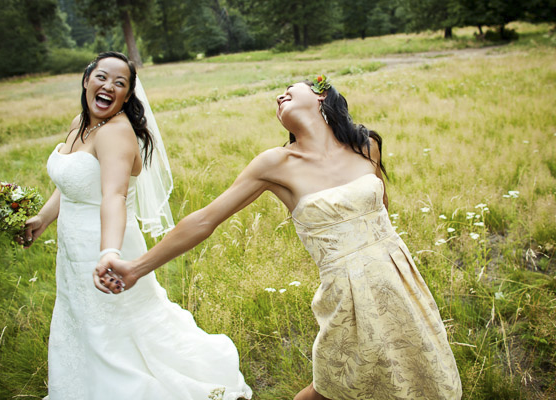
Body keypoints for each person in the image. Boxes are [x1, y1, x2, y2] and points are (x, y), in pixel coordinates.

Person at [96, 75, 462, 399]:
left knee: (419, 367)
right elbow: (205, 220)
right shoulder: (276, 164)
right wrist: (137, 267)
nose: (279, 98)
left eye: (288, 91)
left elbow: (380, 210)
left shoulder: (365, 146)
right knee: (336, 384)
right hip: (344, 291)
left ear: (321, 97)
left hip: (398, 278)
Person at [23, 51, 252, 400]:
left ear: (128, 95)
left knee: (113, 328)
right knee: (84, 320)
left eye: (120, 83)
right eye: (101, 77)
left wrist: (109, 251)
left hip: (105, 244)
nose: (108, 86)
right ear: (86, 80)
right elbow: (72, 182)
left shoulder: (115, 133)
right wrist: (43, 217)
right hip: (74, 247)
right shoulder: (80, 124)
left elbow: (113, 196)